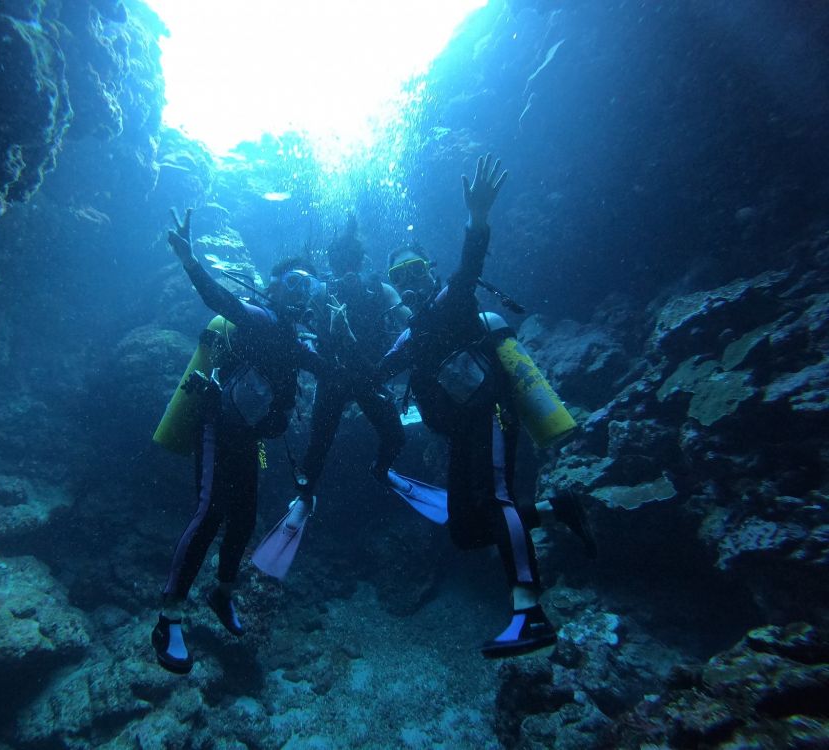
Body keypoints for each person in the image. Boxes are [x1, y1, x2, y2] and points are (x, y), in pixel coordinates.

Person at [379, 154, 589, 658]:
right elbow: (373, 375)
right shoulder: (410, 337)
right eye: (398, 277)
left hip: (493, 414)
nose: (409, 282)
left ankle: (529, 614)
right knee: (466, 529)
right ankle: (558, 509)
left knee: (495, 501)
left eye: (414, 270)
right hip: (462, 434)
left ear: (429, 273)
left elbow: (470, 266)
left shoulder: (452, 300)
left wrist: (477, 218)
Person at [152, 207, 326, 674]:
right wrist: (189, 260)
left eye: (309, 287)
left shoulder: (296, 339)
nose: (301, 294)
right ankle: (169, 618)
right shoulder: (260, 319)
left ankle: (222, 594)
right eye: (294, 284)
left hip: (249, 437)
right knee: (210, 513)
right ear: (275, 288)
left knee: (245, 518)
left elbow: (329, 370)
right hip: (217, 427)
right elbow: (219, 299)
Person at [252, 217, 410, 578]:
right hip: (343, 379)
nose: (346, 271)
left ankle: (355, 479)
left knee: (372, 439)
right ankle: (314, 493)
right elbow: (293, 322)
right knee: (325, 447)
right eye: (342, 264)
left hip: (360, 378)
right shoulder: (333, 290)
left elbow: (408, 322)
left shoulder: (371, 289)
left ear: (356, 262)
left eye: (348, 263)